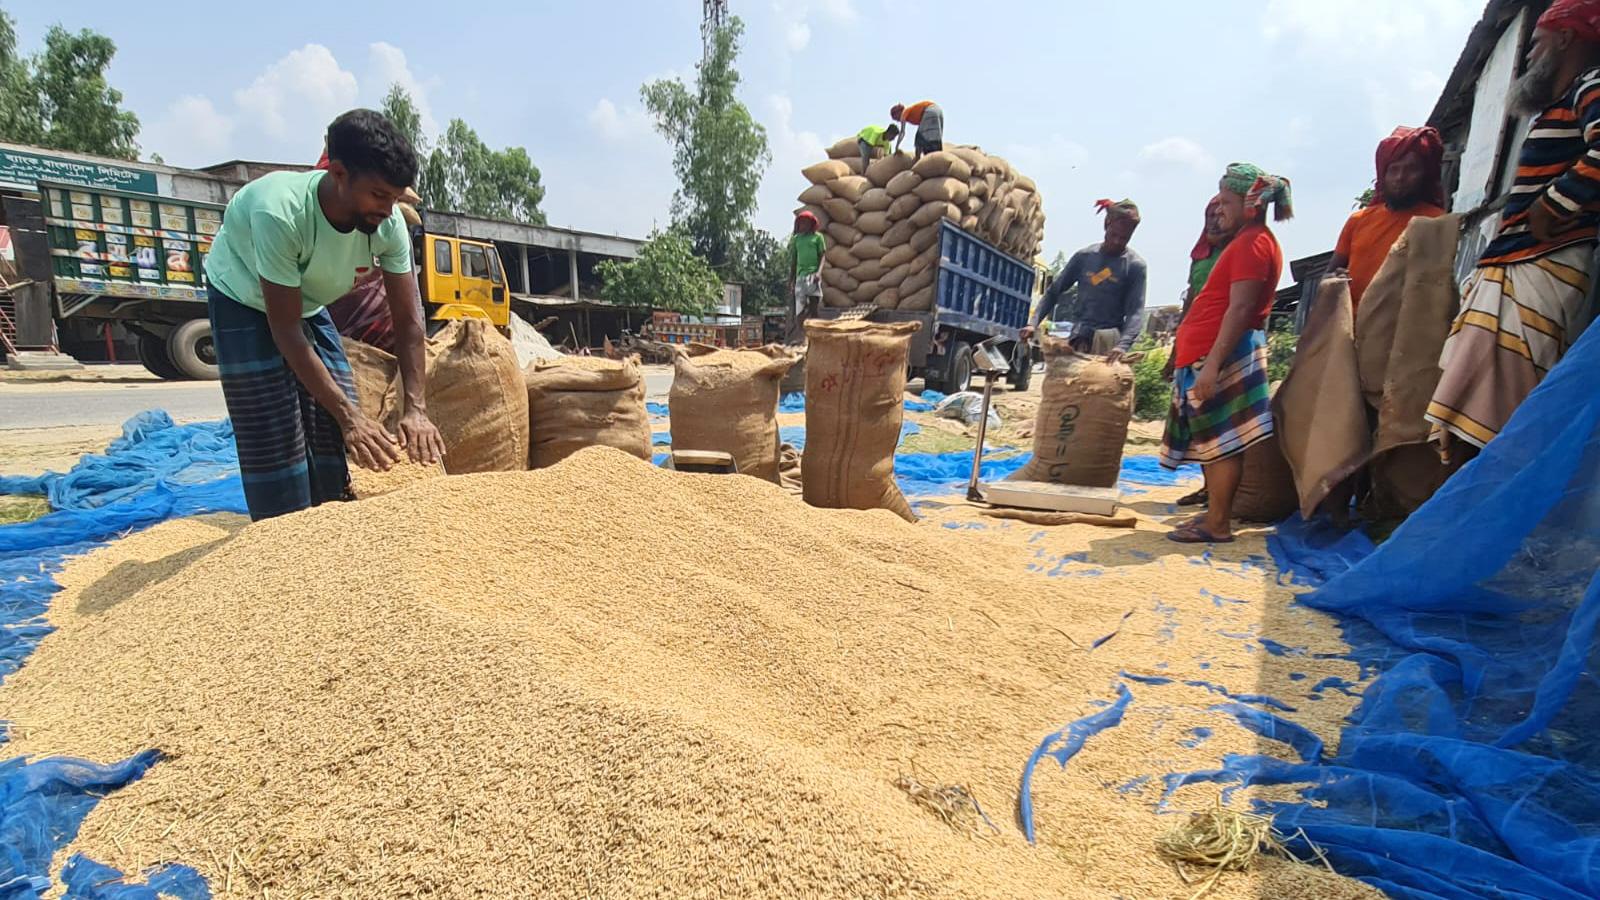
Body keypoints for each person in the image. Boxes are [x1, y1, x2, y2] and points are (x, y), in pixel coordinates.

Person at [204, 109, 444, 521]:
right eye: (379, 196)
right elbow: (285, 330)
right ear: (338, 174)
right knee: (276, 433)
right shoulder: (280, 212)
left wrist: (415, 409)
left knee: (334, 427)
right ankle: (282, 533)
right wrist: (352, 419)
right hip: (243, 297)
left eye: (395, 197)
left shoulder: (388, 226)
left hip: (308, 304)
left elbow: (409, 323)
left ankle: (333, 522)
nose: (388, 210)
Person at [1428, 1, 1600, 459]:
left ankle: (1480, 512)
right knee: (1478, 403)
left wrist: (1553, 204)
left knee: (1496, 409)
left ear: (1566, 38)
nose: (1527, 55)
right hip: (1518, 263)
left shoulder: (1591, 84)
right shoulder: (1561, 105)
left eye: (1537, 40)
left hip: (1543, 263)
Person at [1160, 163, 1292, 544]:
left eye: (1226, 202)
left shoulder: (1254, 244)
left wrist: (1212, 364)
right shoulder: (1247, 241)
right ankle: (1213, 515)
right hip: (1209, 351)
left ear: (1250, 205)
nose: (1218, 209)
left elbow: (1239, 309)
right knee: (1213, 443)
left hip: (1221, 354)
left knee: (1221, 445)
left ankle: (1218, 522)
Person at [1328, 126, 1447, 315]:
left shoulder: (1437, 222)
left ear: (1425, 174)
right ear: (1383, 174)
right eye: (1394, 169)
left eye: (1411, 169)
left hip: (1401, 333)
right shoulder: (1358, 221)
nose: (1400, 178)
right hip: (1348, 329)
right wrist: (1334, 282)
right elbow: (1330, 275)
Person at [1019, 199, 1148, 362]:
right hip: (1079, 337)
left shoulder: (1135, 266)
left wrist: (1122, 346)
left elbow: (1135, 312)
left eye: (1124, 238)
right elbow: (1054, 292)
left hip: (1109, 345)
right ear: (1106, 225)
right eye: (1113, 235)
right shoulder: (1084, 257)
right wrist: (1033, 323)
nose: (1117, 241)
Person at [1169, 197, 1231, 508]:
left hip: (1220, 348)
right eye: (1208, 216)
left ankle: (1219, 500)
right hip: (1193, 348)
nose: (1213, 222)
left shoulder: (1234, 253)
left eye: (1219, 215)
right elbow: (1190, 301)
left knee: (1219, 428)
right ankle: (1207, 487)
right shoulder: (1201, 256)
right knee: (1199, 426)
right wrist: (1175, 351)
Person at [787, 211, 827, 342]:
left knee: (814, 307)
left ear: (811, 224)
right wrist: (791, 280)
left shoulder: (818, 238)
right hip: (800, 277)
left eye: (806, 222)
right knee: (799, 310)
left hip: (812, 276)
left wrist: (818, 273)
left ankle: (816, 336)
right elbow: (794, 260)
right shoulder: (797, 240)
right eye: (801, 222)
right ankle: (801, 336)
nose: (803, 225)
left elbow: (822, 256)